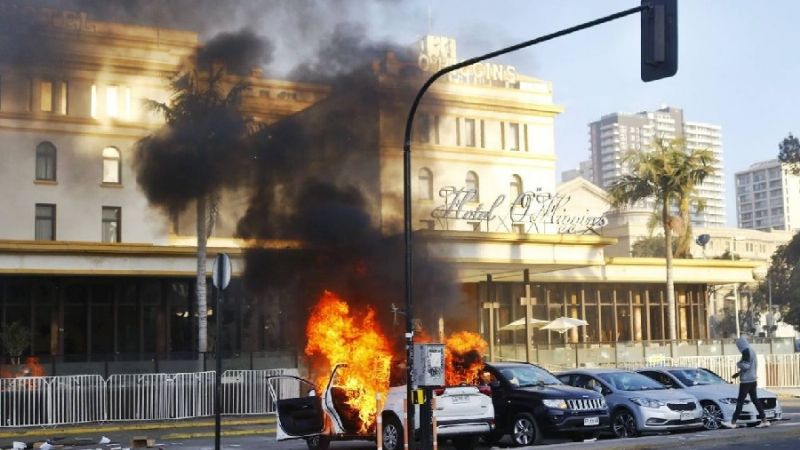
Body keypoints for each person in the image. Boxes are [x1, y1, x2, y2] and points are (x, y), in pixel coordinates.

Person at [720, 336, 770, 428]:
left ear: (741, 345)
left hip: (746, 382)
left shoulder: (746, 352)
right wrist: (739, 373)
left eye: (738, 346)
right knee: (755, 400)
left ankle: (733, 422)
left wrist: (738, 364)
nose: (738, 348)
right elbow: (750, 366)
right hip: (753, 380)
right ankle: (764, 420)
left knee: (740, 402)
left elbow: (745, 366)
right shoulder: (752, 351)